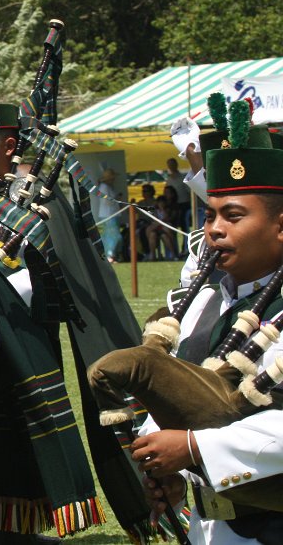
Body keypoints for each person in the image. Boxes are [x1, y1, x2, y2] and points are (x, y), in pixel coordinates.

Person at [133, 117, 283, 545]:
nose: (214, 229)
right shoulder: (202, 303)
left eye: (233, 216)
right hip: (212, 526)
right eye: (210, 215)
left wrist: (194, 448)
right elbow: (182, 397)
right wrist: (174, 471)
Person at [96, 168, 123, 263]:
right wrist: (117, 198)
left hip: (112, 214)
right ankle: (109, 254)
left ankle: (111, 254)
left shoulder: (109, 187)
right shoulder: (104, 187)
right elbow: (106, 201)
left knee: (110, 235)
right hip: (108, 214)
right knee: (113, 236)